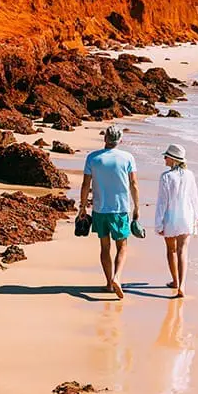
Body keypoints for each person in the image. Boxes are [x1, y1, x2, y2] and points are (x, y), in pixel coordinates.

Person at [77, 125, 139, 299]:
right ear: (120, 140)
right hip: (120, 209)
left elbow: (85, 185)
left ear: (105, 138)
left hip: (100, 209)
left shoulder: (93, 158)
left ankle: (108, 283)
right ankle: (117, 277)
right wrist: (137, 207)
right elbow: (134, 184)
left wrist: (82, 207)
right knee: (122, 246)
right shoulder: (127, 158)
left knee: (105, 247)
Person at [155, 143, 198, 298]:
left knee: (171, 250)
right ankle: (182, 285)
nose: (164, 158)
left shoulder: (166, 177)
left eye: (166, 156)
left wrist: (158, 224)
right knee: (183, 251)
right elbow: (194, 197)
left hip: (170, 218)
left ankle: (175, 281)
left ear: (173, 159)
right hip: (186, 217)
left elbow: (162, 202)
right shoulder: (190, 175)